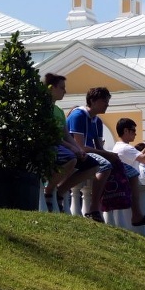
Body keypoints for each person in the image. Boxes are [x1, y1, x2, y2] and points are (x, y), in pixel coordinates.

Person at [65, 87, 145, 226]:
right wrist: (108, 155)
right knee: (105, 165)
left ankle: (137, 215)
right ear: (92, 101)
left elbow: (99, 147)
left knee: (132, 173)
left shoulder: (97, 121)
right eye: (104, 101)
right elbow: (81, 147)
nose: (107, 104)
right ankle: (94, 209)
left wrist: (110, 155)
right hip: (78, 153)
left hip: (91, 153)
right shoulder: (79, 115)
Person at [43, 72, 90, 211]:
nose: (65, 91)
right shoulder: (43, 109)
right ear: (51, 88)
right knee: (70, 158)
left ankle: (60, 191)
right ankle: (48, 191)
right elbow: (51, 136)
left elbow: (66, 135)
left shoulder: (58, 111)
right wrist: (72, 148)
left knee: (92, 165)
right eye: (62, 88)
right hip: (49, 146)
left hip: (61, 146)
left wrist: (79, 149)